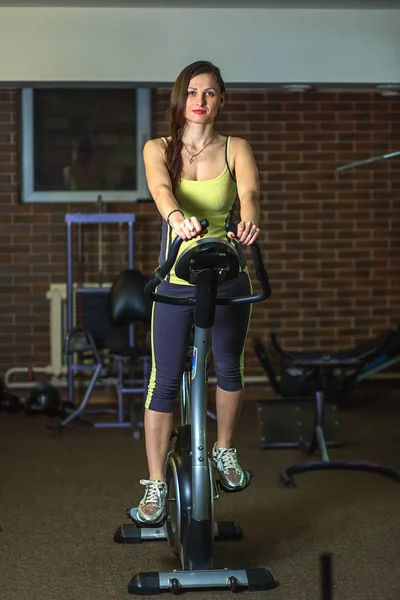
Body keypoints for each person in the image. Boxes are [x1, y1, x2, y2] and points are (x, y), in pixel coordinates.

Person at [137, 60, 261, 524]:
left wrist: (249, 219)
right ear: (180, 98)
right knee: (164, 378)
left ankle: (223, 451)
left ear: (221, 101)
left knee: (229, 366)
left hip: (226, 271)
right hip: (176, 277)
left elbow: (249, 193)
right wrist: (175, 218)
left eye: (210, 94)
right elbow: (160, 189)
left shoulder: (236, 148)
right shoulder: (159, 148)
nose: (200, 101)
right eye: (193, 92)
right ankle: (154, 487)